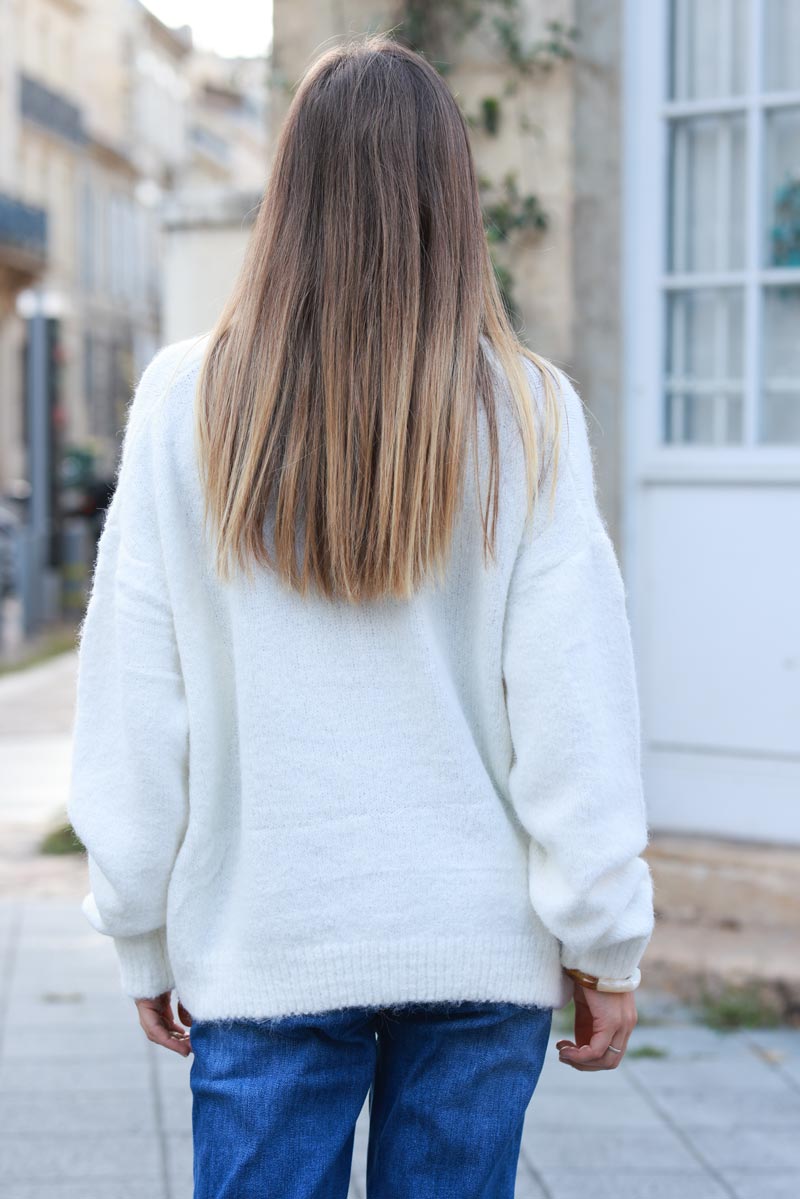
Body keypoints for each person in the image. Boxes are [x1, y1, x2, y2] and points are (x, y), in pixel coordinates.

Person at [67, 33, 655, 1199]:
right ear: (452, 199)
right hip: (475, 950)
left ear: (285, 194)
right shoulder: (526, 414)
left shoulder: (185, 405)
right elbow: (571, 709)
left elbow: (136, 699)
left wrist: (136, 920)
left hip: (266, 941)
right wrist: (602, 937)